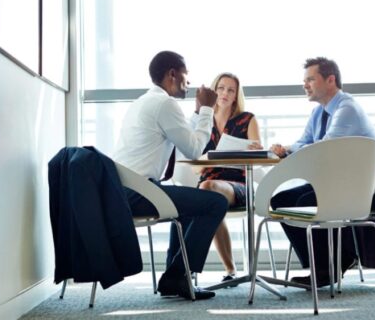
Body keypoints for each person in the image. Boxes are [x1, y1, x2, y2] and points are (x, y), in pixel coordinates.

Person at [112, 51, 229, 301]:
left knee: (188, 204)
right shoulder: (164, 104)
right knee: (215, 203)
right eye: (186, 74)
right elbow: (195, 148)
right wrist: (207, 109)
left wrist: (199, 112)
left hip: (125, 190)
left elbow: (183, 135)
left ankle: (176, 277)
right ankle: (178, 275)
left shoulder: (147, 102)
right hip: (138, 192)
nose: (189, 81)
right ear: (173, 74)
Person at [269, 57, 375, 288]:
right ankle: (328, 264)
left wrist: (293, 149)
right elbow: (305, 142)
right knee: (281, 201)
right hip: (331, 182)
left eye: (310, 79)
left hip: (354, 187)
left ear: (330, 80)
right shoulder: (319, 112)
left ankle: (331, 265)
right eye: (304, 80)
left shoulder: (346, 108)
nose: (305, 85)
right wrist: (287, 148)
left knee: (305, 201)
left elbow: (325, 148)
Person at [194, 72, 262, 284]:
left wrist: (255, 150)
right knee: (208, 190)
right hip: (208, 182)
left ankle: (225, 269)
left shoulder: (247, 119)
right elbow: (195, 168)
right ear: (213, 91)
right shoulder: (202, 121)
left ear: (236, 96)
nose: (224, 93)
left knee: (208, 189)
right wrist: (208, 158)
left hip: (239, 185)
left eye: (230, 90)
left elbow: (257, 159)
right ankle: (228, 269)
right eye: (221, 88)